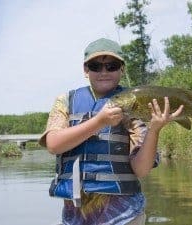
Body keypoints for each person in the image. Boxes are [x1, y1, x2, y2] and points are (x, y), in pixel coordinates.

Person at [39, 38, 183, 225]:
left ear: (122, 69)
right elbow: (53, 145)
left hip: (125, 214)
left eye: (112, 66)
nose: (104, 72)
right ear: (85, 70)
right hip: (75, 216)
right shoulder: (65, 100)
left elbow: (141, 169)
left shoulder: (134, 103)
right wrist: (99, 122)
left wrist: (154, 130)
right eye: (95, 66)